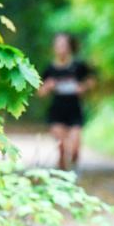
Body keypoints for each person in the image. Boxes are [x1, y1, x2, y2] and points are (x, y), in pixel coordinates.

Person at [38, 32, 94, 171]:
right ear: (53, 48)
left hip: (75, 110)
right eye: (58, 45)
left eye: (64, 45)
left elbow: (92, 81)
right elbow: (40, 92)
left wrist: (83, 87)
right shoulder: (49, 69)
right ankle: (63, 178)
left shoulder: (78, 66)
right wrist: (48, 86)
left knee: (74, 149)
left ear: (70, 47)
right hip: (57, 111)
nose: (61, 48)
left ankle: (74, 171)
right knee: (62, 148)